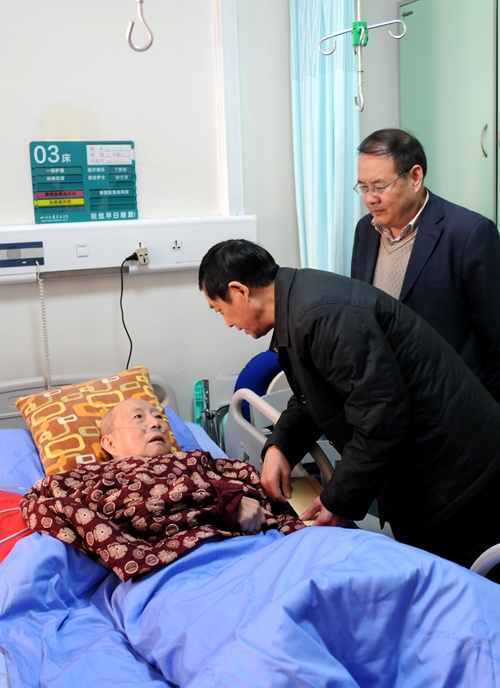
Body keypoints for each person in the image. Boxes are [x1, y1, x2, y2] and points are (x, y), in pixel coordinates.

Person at [198, 238, 500, 574]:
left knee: (470, 589)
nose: (227, 322)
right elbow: (316, 394)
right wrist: (280, 446)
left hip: (460, 480)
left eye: (220, 310)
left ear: (239, 291)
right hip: (442, 469)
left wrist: (338, 500)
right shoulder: (300, 306)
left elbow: (382, 418)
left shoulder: (321, 315)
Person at [21, 398, 303, 581]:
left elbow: (254, 482)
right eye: (138, 418)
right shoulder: (92, 478)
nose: (156, 422)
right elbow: (130, 513)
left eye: (158, 417)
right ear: (109, 443)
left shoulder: (199, 461)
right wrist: (224, 503)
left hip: (258, 551)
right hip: (172, 571)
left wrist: (242, 497)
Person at [351, 128, 500, 402]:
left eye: (380, 186)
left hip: (451, 403)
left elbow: (494, 339)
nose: (370, 198)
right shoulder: (365, 230)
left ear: (415, 177)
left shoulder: (469, 234)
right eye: (364, 187)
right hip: (387, 400)